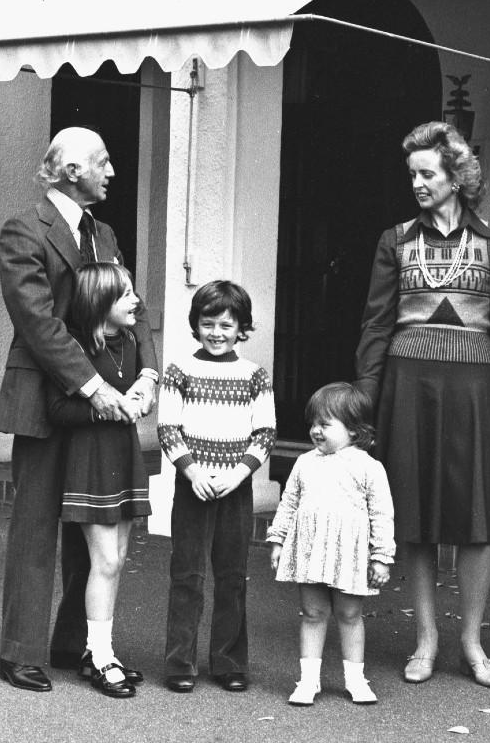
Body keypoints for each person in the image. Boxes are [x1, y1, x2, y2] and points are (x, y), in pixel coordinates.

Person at [356, 121, 490, 689]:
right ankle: (426, 640)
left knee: (475, 520)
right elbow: (376, 325)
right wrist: (365, 401)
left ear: (457, 176)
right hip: (409, 389)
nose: (418, 183)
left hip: (475, 391)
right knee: (417, 518)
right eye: (413, 175)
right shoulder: (394, 239)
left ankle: (473, 644)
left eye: (428, 173)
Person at [0, 127, 159, 692]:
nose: (111, 171)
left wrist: (148, 375)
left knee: (93, 523)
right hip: (47, 400)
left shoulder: (105, 232)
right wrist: (93, 387)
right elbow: (37, 322)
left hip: (104, 399)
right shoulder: (23, 229)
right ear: (70, 171)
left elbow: (130, 303)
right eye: (104, 162)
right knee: (38, 526)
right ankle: (20, 652)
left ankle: (78, 645)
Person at [157, 280, 276, 694]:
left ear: (241, 327)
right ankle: (179, 662)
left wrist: (236, 474)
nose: (217, 332)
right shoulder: (179, 372)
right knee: (187, 574)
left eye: (227, 324)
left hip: (234, 488)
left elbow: (265, 433)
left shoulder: (253, 376)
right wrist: (192, 472)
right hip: (193, 485)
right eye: (208, 323)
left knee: (232, 575)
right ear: (196, 324)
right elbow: (168, 427)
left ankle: (228, 661)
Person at [45, 262, 152, 698]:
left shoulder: (127, 342)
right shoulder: (76, 350)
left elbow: (143, 379)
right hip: (90, 462)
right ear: (100, 303)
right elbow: (56, 410)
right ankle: (103, 657)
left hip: (123, 457)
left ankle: (96, 650)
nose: (136, 301)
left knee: (118, 559)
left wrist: (143, 394)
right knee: (104, 560)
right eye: (125, 295)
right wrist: (103, 407)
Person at [267, 382, 396, 706]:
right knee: (312, 612)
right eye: (313, 423)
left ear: (354, 430)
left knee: (350, 614)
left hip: (349, 555)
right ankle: (308, 681)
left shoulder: (369, 467)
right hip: (310, 551)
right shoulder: (305, 462)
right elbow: (288, 503)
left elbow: (382, 514)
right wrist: (278, 540)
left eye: (325, 424)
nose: (315, 431)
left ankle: (356, 680)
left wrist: (381, 557)